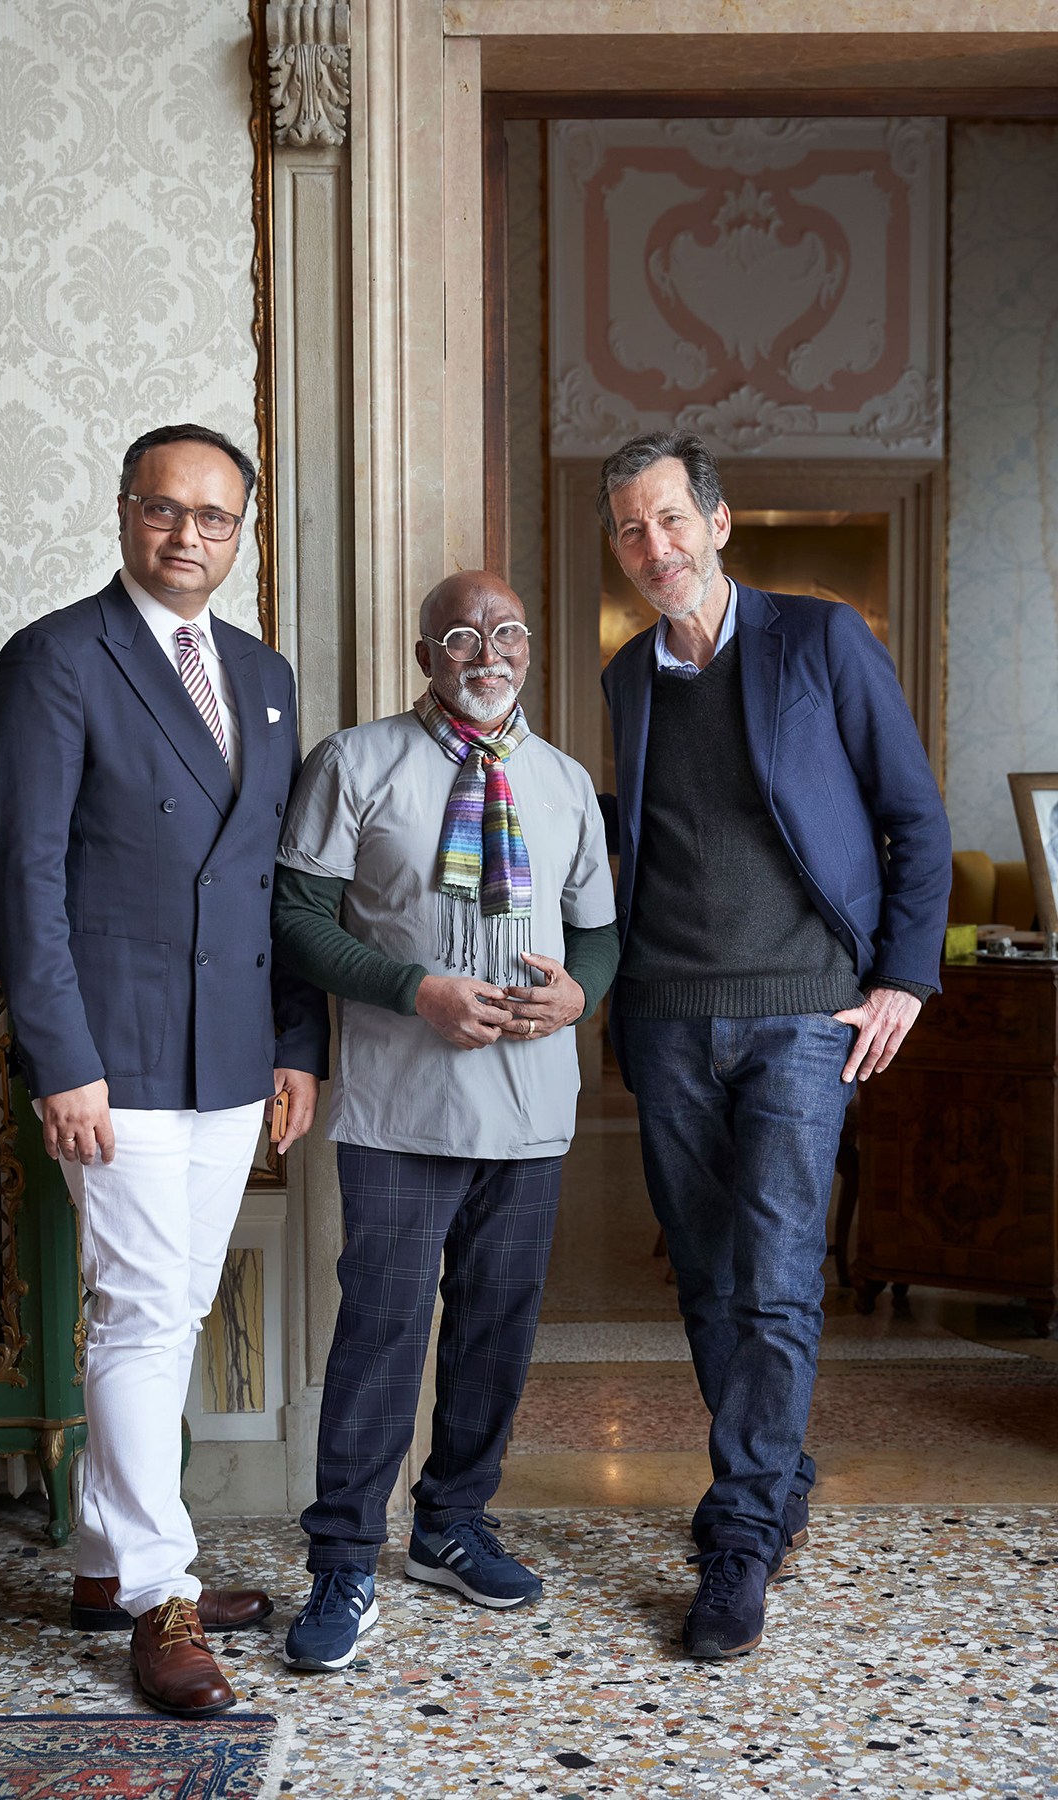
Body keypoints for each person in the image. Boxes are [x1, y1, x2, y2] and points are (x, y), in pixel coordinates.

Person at [0, 423, 330, 1718]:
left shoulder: (264, 673)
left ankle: (101, 1561)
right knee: (138, 1313)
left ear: (243, 530)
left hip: (235, 1052)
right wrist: (59, 1056)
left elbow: (278, 880)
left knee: (175, 1308)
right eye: (163, 509)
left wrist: (298, 1039)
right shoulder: (58, 659)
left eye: (216, 517)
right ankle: (161, 1595)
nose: (189, 535)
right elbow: (25, 878)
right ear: (125, 512)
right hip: (112, 1056)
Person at [598, 430, 951, 1661]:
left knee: (780, 1270)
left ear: (719, 522)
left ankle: (743, 1535)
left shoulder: (824, 640)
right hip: (666, 1013)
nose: (655, 548)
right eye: (631, 531)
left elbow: (914, 815)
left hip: (805, 1008)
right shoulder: (628, 678)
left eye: (671, 521)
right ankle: (774, 1470)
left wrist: (905, 974)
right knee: (703, 1274)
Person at [271, 571, 619, 1672]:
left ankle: (453, 1526)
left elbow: (601, 933)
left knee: (496, 1332)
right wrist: (413, 988)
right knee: (381, 1332)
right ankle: (342, 1564)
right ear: (427, 653)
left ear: (530, 648)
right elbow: (294, 918)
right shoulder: (353, 763)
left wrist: (580, 996)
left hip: (531, 1110)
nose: (489, 652)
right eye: (462, 635)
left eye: (508, 631)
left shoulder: (564, 783)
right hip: (398, 1109)